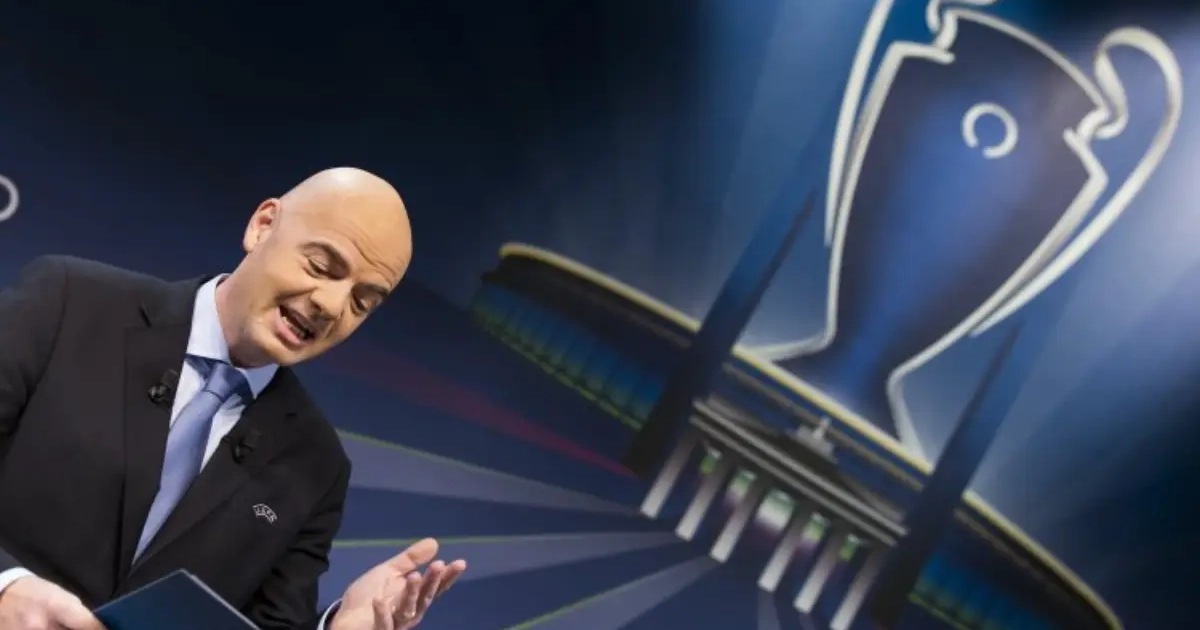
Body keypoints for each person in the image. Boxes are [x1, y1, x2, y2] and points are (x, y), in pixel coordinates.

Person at [0, 167, 467, 629]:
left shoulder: (318, 468)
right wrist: (6, 586)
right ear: (262, 225)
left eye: (361, 303)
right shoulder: (70, 303)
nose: (331, 306)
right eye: (321, 267)